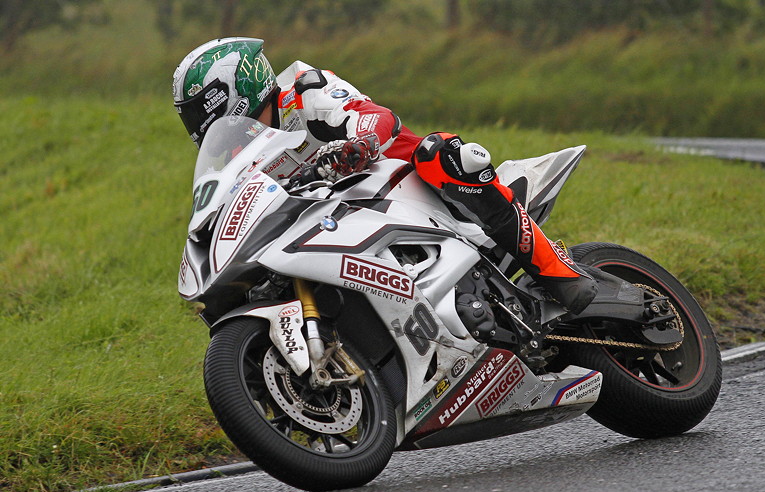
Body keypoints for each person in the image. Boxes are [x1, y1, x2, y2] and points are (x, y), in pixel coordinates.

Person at [173, 37, 597, 313]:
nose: (196, 124)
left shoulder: (304, 90)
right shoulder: (243, 153)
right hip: (341, 223)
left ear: (232, 89)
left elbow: (377, 119)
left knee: (442, 153)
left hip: (411, 187)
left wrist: (354, 146)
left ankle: (563, 277)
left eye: (198, 109)